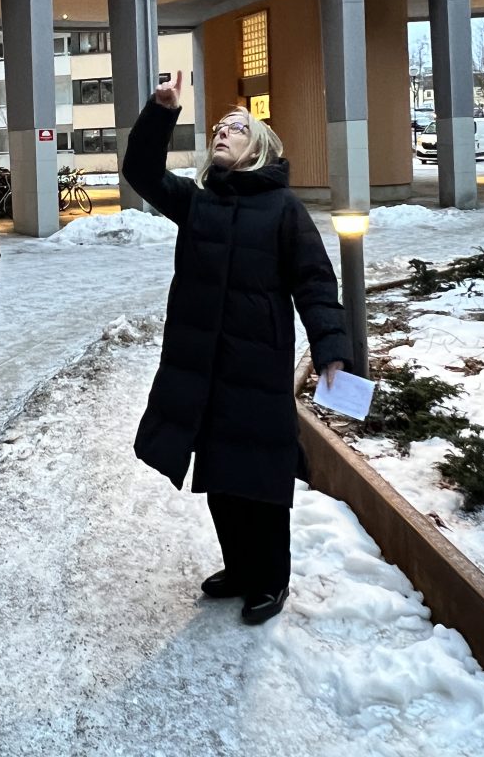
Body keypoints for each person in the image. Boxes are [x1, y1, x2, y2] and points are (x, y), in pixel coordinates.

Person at [123, 73, 351, 625]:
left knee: (261, 477)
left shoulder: (284, 208)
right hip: (202, 365)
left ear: (259, 148)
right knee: (221, 473)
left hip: (258, 363)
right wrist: (161, 112)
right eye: (219, 128)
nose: (223, 133)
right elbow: (142, 172)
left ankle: (270, 579)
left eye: (237, 128)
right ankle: (241, 567)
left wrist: (330, 346)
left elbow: (315, 281)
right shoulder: (197, 203)